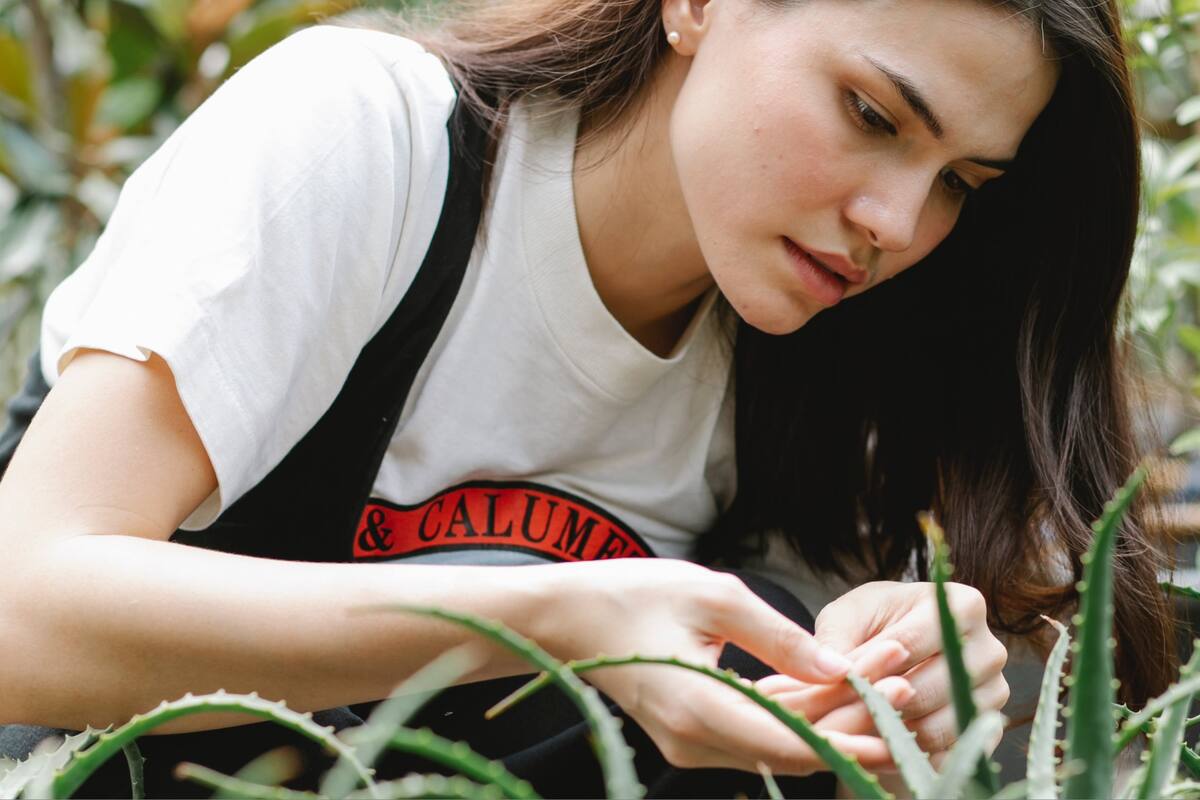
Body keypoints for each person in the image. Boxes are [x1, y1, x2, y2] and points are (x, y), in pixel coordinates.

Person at [0, 0, 1177, 795]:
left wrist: (883, 662)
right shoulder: (372, 137)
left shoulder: (810, 353)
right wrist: (555, 621)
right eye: (871, 115)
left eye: (961, 183)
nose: (898, 223)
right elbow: (20, 615)